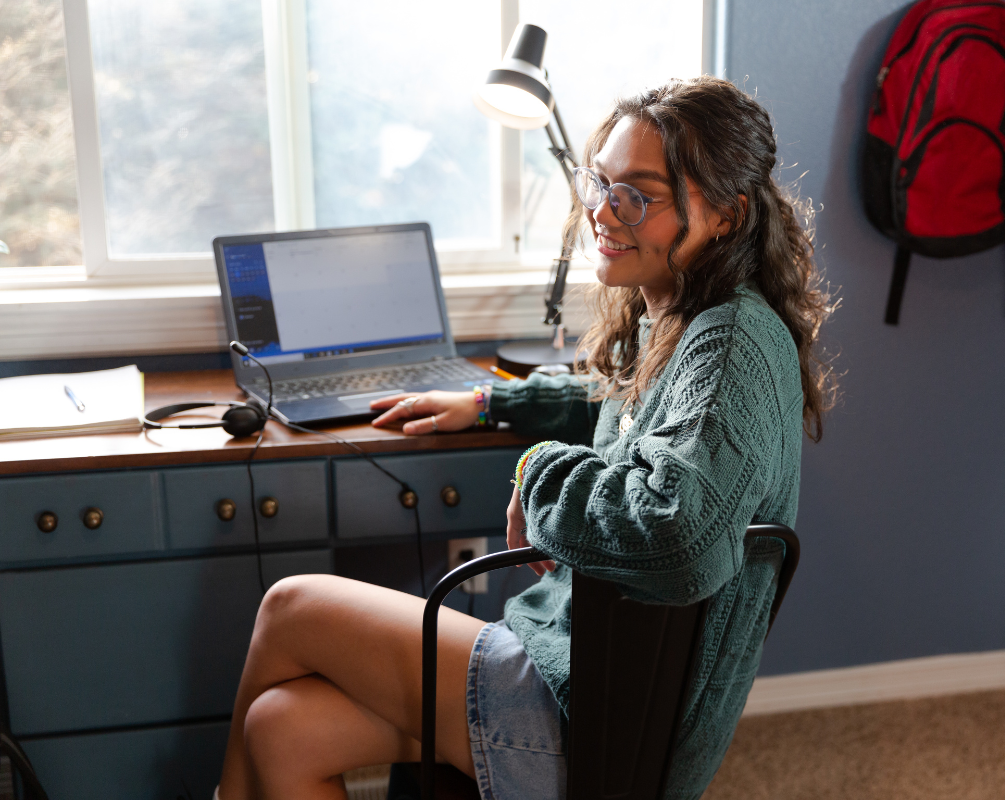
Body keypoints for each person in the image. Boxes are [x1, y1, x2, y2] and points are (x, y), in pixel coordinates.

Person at [215, 75, 833, 800]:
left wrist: (538, 469)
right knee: (282, 728)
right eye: (599, 182)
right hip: (579, 668)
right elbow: (620, 404)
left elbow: (677, 537)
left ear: (724, 216)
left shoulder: (726, 344)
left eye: (637, 194)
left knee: (289, 607)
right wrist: (489, 404)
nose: (603, 211)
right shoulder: (686, 316)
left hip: (596, 715)